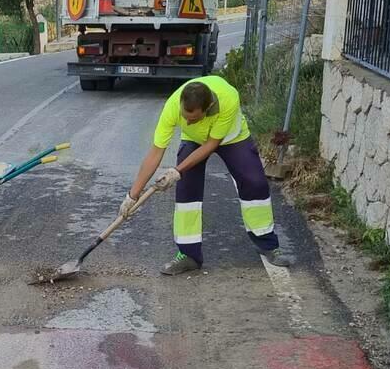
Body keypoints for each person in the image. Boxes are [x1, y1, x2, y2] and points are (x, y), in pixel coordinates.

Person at [122, 75, 294, 275]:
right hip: (194, 140)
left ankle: (268, 245)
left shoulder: (228, 99)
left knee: (254, 183)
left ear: (208, 108)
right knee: (187, 190)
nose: (186, 120)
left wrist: (177, 171)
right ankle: (189, 255)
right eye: (184, 116)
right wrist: (132, 196)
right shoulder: (172, 106)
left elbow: (212, 144)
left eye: (192, 118)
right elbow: (155, 153)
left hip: (232, 138)